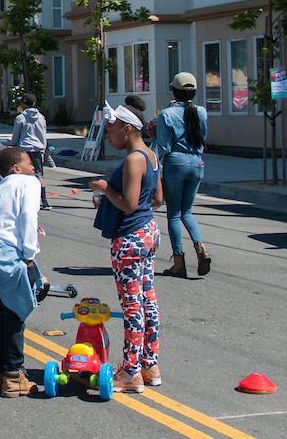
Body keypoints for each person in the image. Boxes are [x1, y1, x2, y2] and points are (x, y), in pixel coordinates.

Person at [90, 100, 163, 394]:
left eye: (112, 129)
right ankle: (150, 364)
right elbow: (156, 199)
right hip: (148, 232)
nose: (109, 135)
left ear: (128, 128)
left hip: (130, 237)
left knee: (132, 306)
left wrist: (106, 188)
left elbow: (129, 205)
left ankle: (130, 371)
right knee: (148, 301)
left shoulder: (134, 159)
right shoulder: (152, 156)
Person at [0, 147, 42, 397]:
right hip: (8, 251)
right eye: (28, 162)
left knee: (4, 313)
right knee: (15, 313)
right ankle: (14, 375)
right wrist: (29, 255)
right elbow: (28, 217)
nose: (34, 166)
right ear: (16, 168)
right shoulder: (29, 182)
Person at [154, 73, 210, 278]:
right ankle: (200, 247)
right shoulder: (201, 112)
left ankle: (179, 262)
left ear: (174, 92)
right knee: (187, 211)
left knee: (174, 214)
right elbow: (202, 137)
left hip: (175, 162)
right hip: (197, 162)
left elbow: (164, 146)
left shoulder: (167, 114)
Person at [10, 94, 50, 210]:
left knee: (20, 174)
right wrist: (43, 148)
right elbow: (43, 134)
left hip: (24, 149)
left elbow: (15, 136)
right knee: (39, 175)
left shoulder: (20, 118)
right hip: (37, 149)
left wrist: (12, 145)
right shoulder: (41, 117)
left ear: (24, 103)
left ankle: (21, 200)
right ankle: (44, 201)